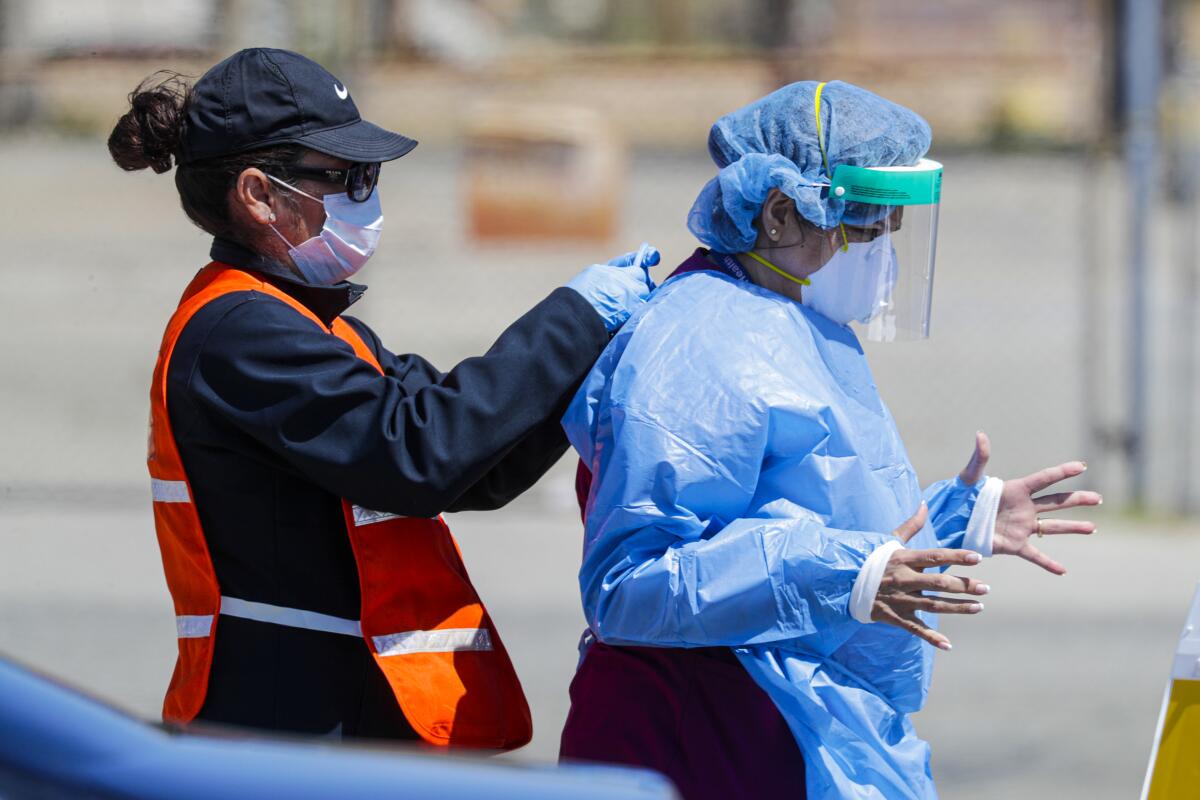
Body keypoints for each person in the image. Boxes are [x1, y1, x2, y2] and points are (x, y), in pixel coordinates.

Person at [558, 81, 1101, 798]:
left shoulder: (785, 316)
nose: (884, 258)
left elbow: (806, 512)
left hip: (776, 717)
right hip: (699, 729)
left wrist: (950, 521)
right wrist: (843, 575)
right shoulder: (698, 342)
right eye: (870, 229)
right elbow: (630, 583)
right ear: (780, 212)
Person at [107, 48, 660, 746]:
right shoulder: (238, 330)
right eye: (347, 177)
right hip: (280, 725)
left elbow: (474, 465)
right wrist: (574, 317)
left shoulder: (318, 324)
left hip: (342, 711)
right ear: (258, 194)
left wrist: (587, 368)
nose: (366, 195)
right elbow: (419, 452)